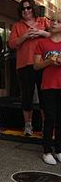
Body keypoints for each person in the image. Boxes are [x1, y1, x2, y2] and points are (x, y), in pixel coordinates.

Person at [8, 0, 50, 136]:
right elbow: (12, 44)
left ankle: (46, 126)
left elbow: (55, 36)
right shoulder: (17, 26)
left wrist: (41, 33)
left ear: (33, 9)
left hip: (43, 64)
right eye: (23, 9)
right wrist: (25, 36)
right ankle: (28, 125)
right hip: (24, 65)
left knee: (45, 97)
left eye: (28, 8)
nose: (26, 11)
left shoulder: (43, 21)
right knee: (27, 96)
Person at [34, 11, 61, 165]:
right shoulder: (42, 43)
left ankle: (58, 149)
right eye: (53, 21)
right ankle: (46, 150)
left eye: (58, 21)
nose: (54, 23)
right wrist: (49, 62)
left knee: (60, 119)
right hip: (48, 85)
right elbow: (36, 66)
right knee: (49, 118)